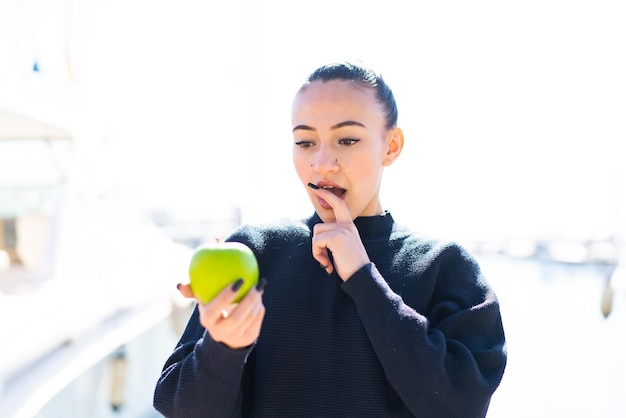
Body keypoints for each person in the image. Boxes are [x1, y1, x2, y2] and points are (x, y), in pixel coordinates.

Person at [153, 61, 507, 418]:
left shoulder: (445, 267)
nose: (322, 163)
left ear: (391, 146)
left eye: (348, 139)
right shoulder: (255, 252)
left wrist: (364, 280)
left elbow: (459, 407)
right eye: (305, 142)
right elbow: (181, 409)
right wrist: (223, 347)